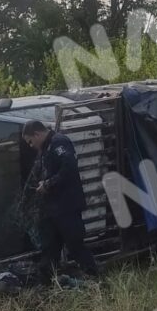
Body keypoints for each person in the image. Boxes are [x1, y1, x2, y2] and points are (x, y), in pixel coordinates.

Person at [22, 120, 100, 282]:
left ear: (37, 134)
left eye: (30, 141)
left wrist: (49, 184)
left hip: (67, 206)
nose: (30, 145)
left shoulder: (59, 142)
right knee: (50, 246)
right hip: (54, 208)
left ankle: (94, 279)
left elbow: (69, 168)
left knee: (75, 245)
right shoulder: (46, 148)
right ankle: (45, 281)